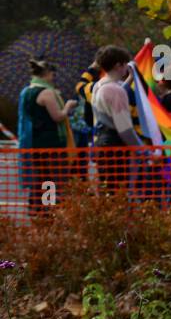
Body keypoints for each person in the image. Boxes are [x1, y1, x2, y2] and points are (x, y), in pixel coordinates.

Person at [17, 59, 76, 216]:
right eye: (52, 74)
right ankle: (48, 208)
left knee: (39, 177)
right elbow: (57, 116)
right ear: (47, 74)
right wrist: (68, 106)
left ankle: (36, 208)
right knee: (51, 178)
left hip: (34, 142)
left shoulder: (27, 91)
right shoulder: (47, 92)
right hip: (51, 143)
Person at [88, 46, 143, 195]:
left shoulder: (99, 85)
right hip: (115, 147)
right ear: (118, 65)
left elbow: (114, 92)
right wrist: (143, 151)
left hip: (102, 143)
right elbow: (125, 129)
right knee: (118, 195)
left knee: (106, 193)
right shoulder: (115, 91)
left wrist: (130, 78)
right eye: (125, 63)